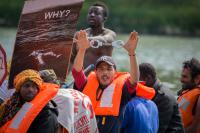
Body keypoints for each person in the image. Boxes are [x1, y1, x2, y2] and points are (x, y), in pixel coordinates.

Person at [72, 30, 155, 133]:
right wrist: (82, 50)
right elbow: (77, 72)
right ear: (96, 72)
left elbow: (134, 80)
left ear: (115, 72)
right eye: (101, 69)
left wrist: (132, 53)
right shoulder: (85, 84)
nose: (105, 72)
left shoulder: (122, 91)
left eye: (108, 69)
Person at [70, 1, 116, 72]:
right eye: (90, 13)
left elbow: (105, 40)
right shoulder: (78, 35)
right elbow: (71, 60)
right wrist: (62, 80)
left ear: (104, 18)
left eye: (96, 13)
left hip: (101, 80)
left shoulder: (110, 34)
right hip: (81, 80)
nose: (92, 15)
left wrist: (86, 39)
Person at [139, 63, 184, 133]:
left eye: (138, 80)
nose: (135, 83)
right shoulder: (153, 92)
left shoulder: (164, 98)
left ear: (148, 78)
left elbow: (159, 128)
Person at [177, 58, 200, 133]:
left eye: (185, 77)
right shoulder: (187, 92)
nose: (181, 79)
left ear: (197, 78)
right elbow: (181, 113)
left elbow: (194, 129)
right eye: (182, 76)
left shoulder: (198, 97)